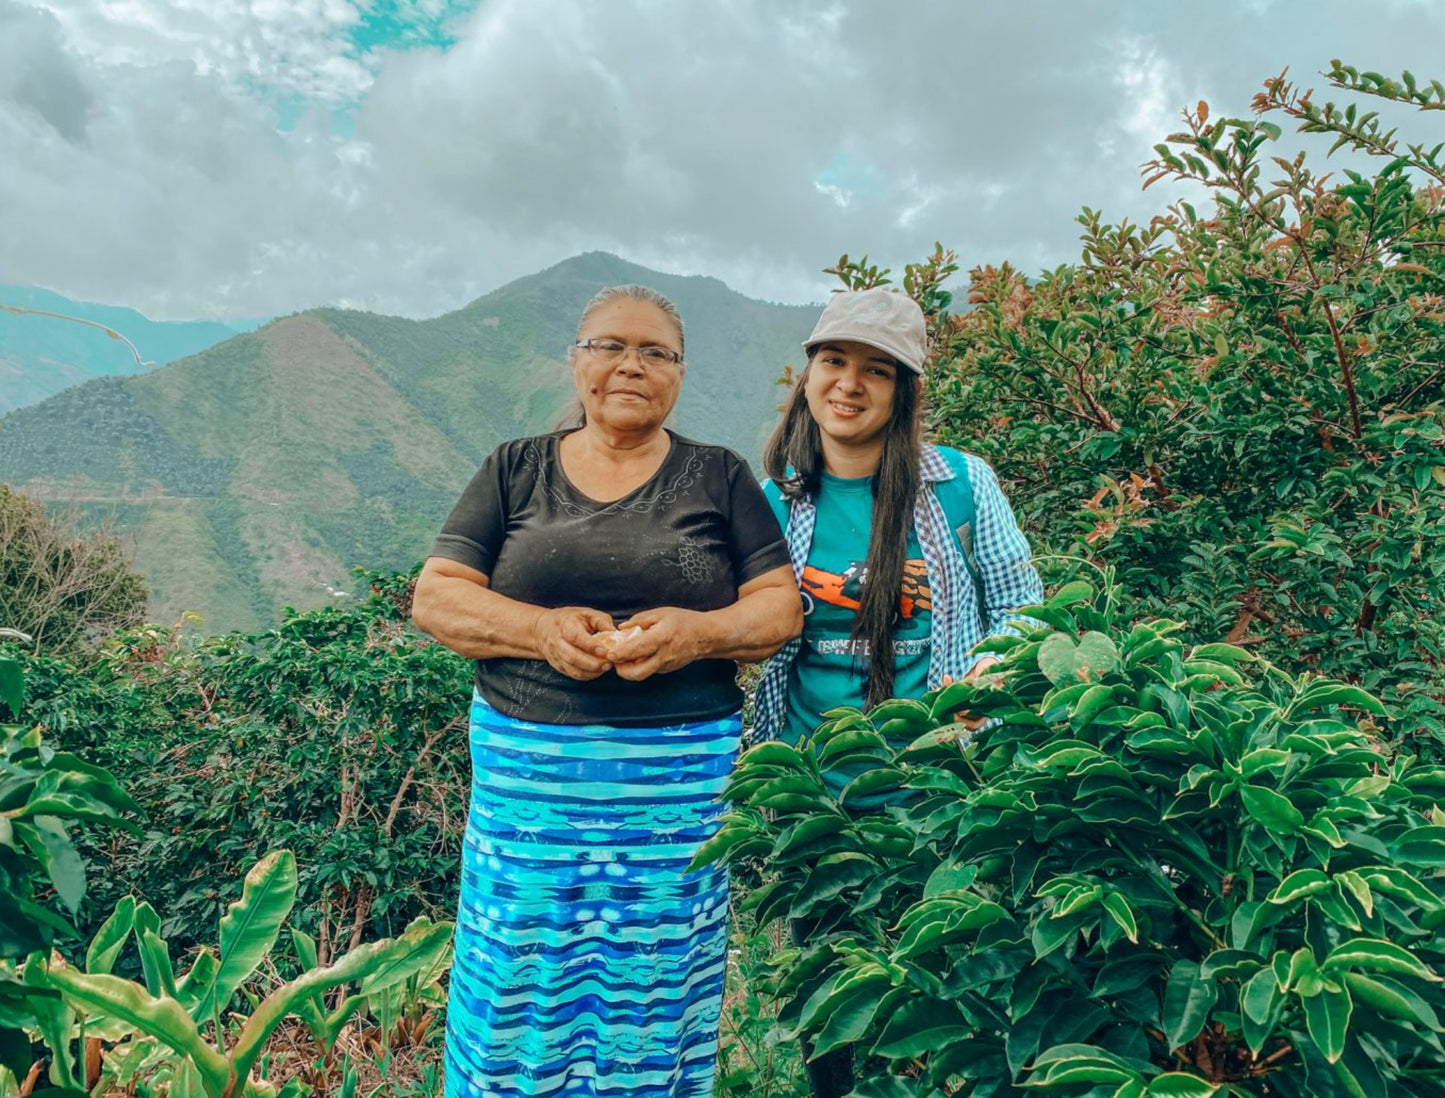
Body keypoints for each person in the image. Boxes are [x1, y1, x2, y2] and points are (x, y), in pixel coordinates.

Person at [412, 284, 801, 1098]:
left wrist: (696, 633)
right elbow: (438, 595)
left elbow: (778, 608)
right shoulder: (514, 468)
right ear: (575, 361)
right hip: (530, 790)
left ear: (681, 373)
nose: (631, 364)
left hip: (675, 792)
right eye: (608, 346)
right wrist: (539, 632)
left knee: (654, 980)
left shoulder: (718, 477)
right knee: (519, 969)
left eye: (655, 351)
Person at [752, 286, 1044, 1098]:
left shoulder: (960, 485)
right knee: (828, 1000)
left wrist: (997, 665)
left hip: (941, 794)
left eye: (875, 370)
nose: (849, 384)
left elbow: (1024, 605)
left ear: (903, 389)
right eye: (834, 362)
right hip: (817, 802)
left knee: (944, 996)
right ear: (808, 376)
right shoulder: (776, 499)